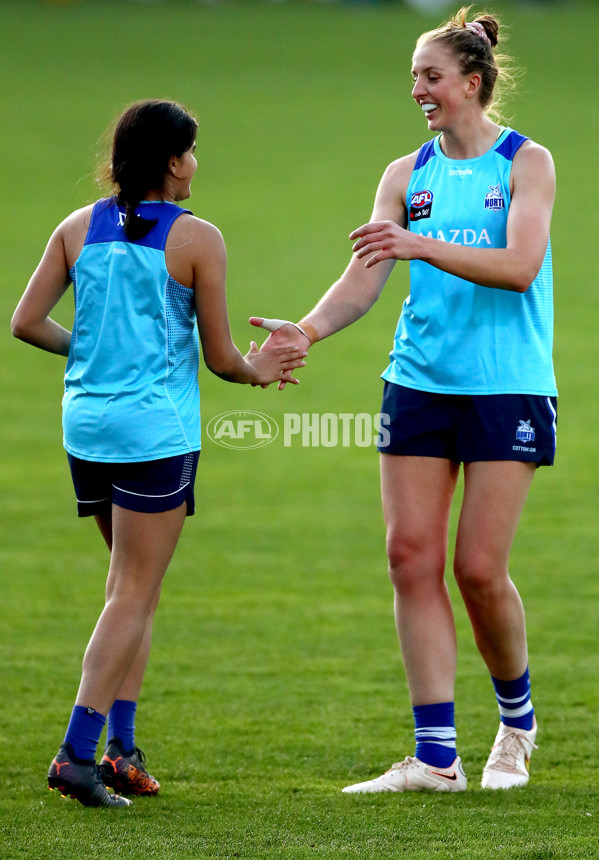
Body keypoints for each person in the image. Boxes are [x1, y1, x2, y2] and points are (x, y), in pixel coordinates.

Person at [251, 7, 557, 792]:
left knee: (479, 569)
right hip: (417, 382)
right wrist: (307, 330)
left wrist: (420, 245)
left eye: (430, 76)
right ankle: (436, 758)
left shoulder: (527, 164)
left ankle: (516, 728)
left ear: (472, 83)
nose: (416, 89)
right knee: (410, 558)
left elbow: (520, 266)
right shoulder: (404, 173)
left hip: (506, 387)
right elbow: (366, 275)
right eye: (413, 77)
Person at [11, 99, 306, 808]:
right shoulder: (198, 239)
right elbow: (223, 358)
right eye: (193, 152)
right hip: (154, 435)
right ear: (173, 162)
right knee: (133, 593)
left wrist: (85, 349)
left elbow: (25, 322)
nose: (196, 164)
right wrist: (263, 368)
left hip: (87, 429)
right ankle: (78, 755)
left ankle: (123, 749)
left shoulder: (75, 228)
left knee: (127, 589)